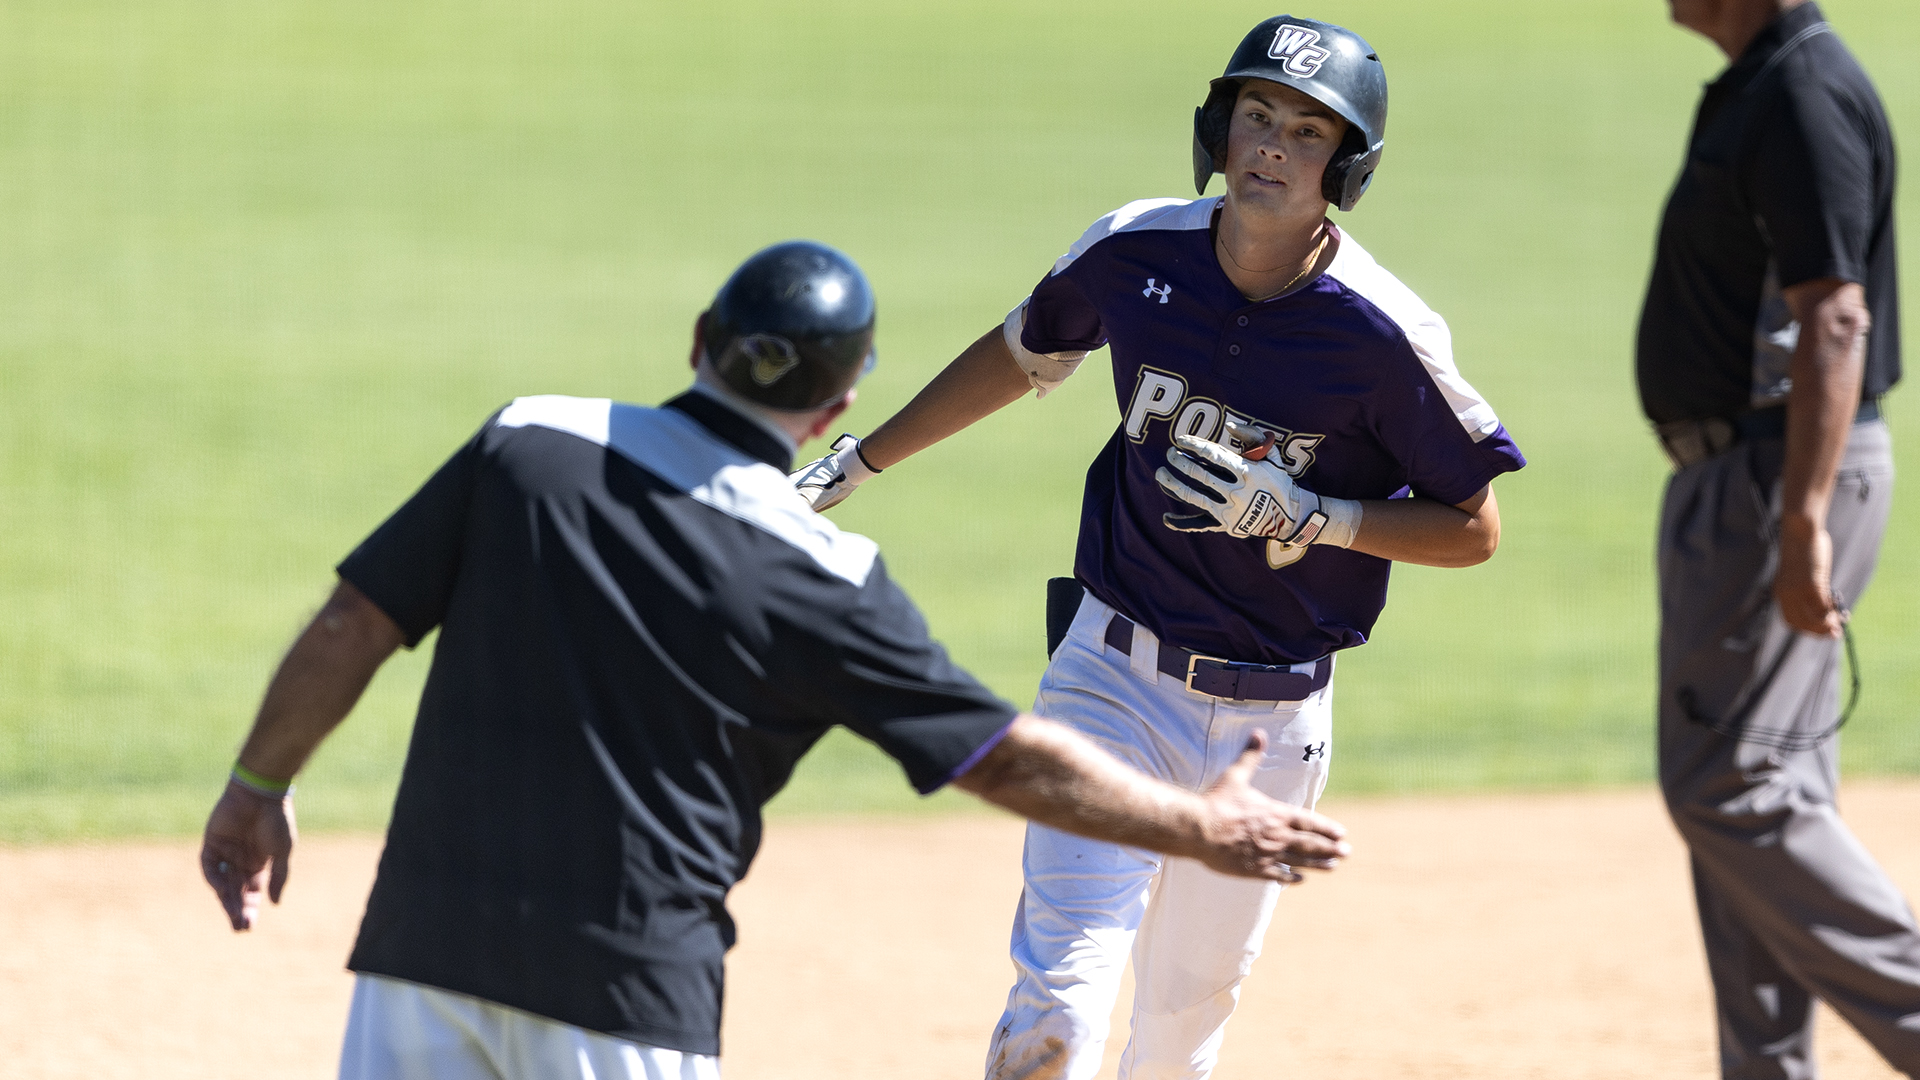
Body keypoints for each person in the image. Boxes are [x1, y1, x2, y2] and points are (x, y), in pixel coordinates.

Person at [197, 240, 1355, 1080]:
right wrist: (1201, 828)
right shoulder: (821, 574)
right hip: (625, 1001)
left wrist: (257, 787)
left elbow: (351, 624)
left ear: (699, 341)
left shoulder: (527, 443)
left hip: (419, 962)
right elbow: (1003, 760)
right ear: (837, 403)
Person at [790, 16, 1526, 1080]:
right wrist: (859, 463)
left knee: (1186, 1023)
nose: (1271, 145)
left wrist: (1325, 519)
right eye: (1256, 115)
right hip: (1110, 677)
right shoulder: (1137, 251)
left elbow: (1477, 528)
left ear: (1348, 168)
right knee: (1059, 999)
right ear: (1217, 128)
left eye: (1308, 132)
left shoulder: (1383, 334)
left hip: (1273, 722)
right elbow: (1023, 351)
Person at [1639, 1, 1918, 1074]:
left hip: (1772, 481)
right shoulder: (1774, 79)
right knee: (1762, 790)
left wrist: (1801, 521)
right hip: (1755, 479)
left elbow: (1835, 315)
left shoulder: (1801, 90)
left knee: (1729, 787)